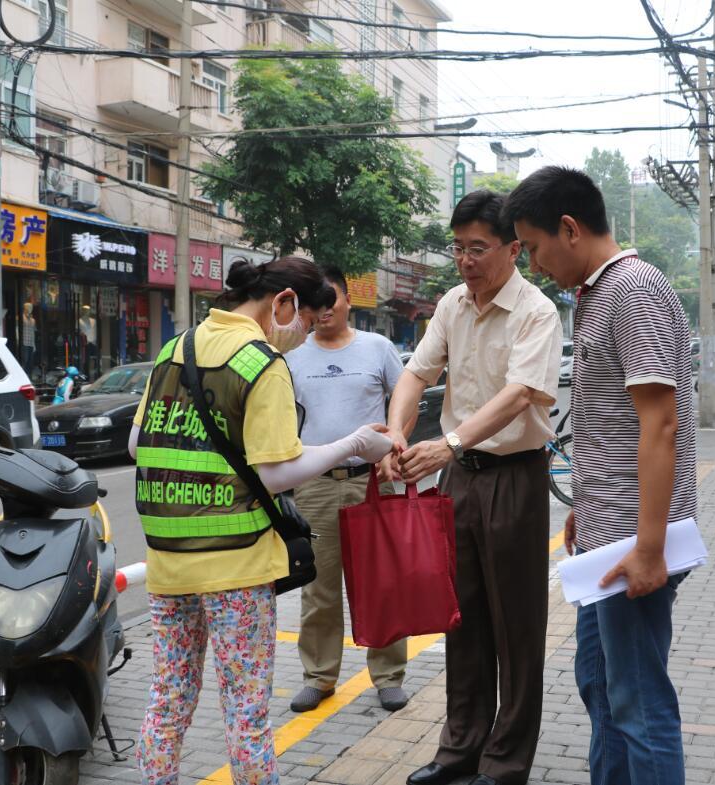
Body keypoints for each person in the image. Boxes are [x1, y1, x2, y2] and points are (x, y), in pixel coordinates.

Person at [126, 256, 394, 785]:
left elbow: (138, 444)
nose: (302, 335)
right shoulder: (261, 362)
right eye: (305, 321)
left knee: (168, 700)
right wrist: (355, 443)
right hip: (236, 566)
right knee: (245, 712)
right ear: (284, 303)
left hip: (168, 562)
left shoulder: (175, 349)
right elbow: (275, 473)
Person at [504, 166, 698, 785]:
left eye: (534, 247)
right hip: (605, 534)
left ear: (569, 228)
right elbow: (607, 425)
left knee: (639, 703)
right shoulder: (598, 294)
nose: (534, 264)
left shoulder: (633, 290)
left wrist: (649, 547)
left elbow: (660, 424)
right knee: (598, 681)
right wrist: (583, 512)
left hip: (633, 544)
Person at [384, 190, 563, 785]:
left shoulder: (537, 311)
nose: (465, 260)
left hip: (514, 477)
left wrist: (451, 443)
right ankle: (459, 747)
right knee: (459, 616)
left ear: (513, 249)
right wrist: (396, 433)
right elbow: (416, 373)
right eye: (458, 247)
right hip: (459, 480)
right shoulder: (452, 304)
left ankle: (505, 761)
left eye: (478, 248)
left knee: (517, 626)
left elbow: (520, 395)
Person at [285, 266, 410, 714]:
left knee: (381, 582)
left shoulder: (377, 348)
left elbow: (404, 400)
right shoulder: (292, 355)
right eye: (313, 304)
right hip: (315, 485)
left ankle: (389, 676)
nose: (323, 311)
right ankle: (318, 677)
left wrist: (396, 441)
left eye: (330, 300)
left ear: (347, 299)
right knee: (317, 587)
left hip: (372, 481)